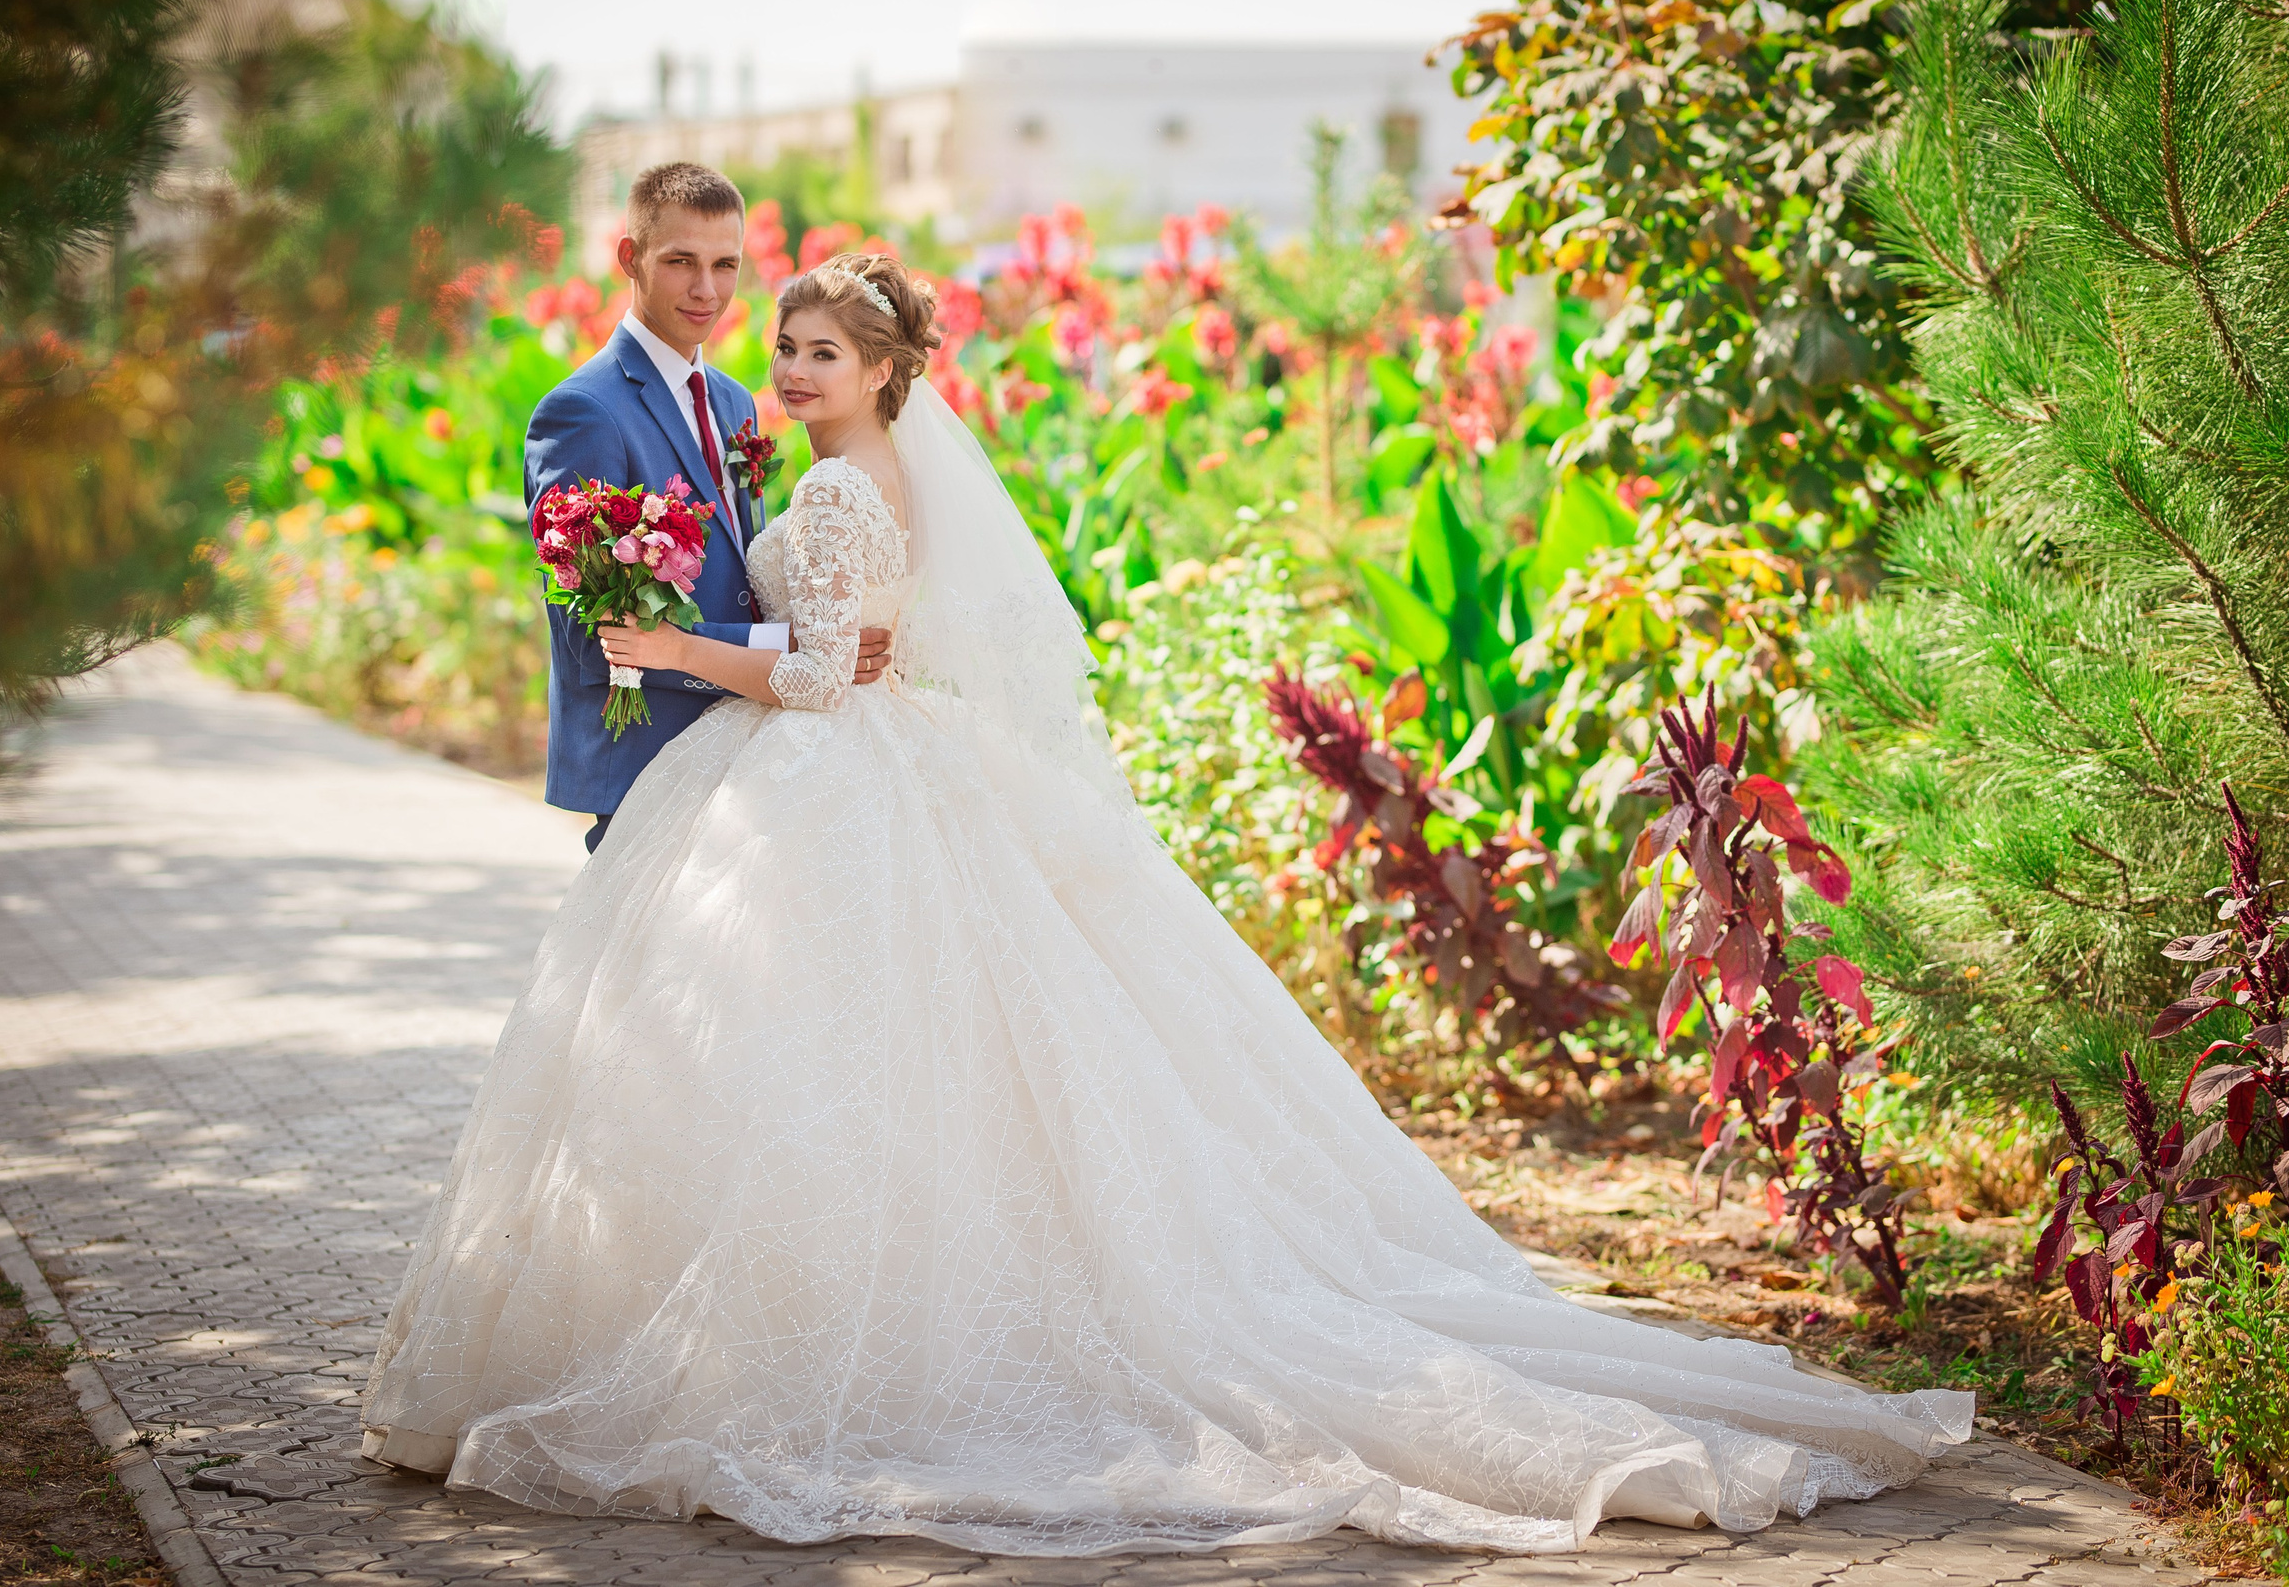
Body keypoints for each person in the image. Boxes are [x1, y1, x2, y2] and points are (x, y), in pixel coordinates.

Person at [360, 251, 1970, 1557]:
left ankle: (827, 1346)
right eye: (783, 348)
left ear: (886, 377)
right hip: (860, 781)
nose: (787, 371)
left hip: (832, 769)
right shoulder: (847, 471)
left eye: (821, 357)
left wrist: (675, 653)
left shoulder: (854, 492)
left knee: (832, 1073)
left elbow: (823, 674)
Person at [521, 162, 891, 853]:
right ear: (630, 257)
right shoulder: (581, 413)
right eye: (680, 261)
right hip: (644, 762)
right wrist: (790, 650)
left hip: (749, 758)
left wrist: (828, 644)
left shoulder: (732, 401)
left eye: (725, 264)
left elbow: (741, 582)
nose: (707, 289)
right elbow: (590, 637)